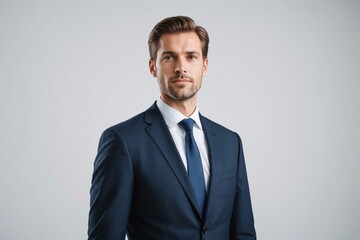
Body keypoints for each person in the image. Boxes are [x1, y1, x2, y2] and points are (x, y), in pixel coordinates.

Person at [88, 16, 256, 240]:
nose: (181, 67)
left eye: (191, 57)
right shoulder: (123, 141)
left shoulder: (230, 142)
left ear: (204, 65)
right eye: (169, 57)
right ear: (152, 67)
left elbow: (243, 233)